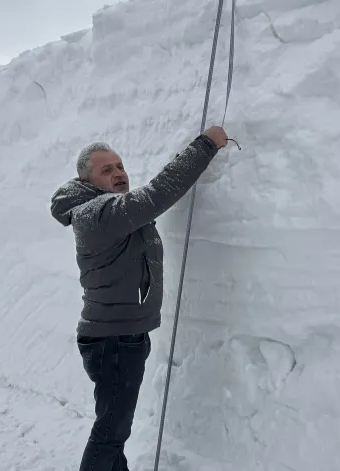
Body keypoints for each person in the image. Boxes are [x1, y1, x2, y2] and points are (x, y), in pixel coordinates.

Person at [49, 125, 229, 471]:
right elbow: (158, 194)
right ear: (88, 181)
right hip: (114, 342)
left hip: (118, 337)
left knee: (113, 430)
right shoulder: (97, 214)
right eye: (107, 169)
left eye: (120, 166)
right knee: (111, 434)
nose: (119, 174)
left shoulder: (103, 211)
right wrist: (207, 144)